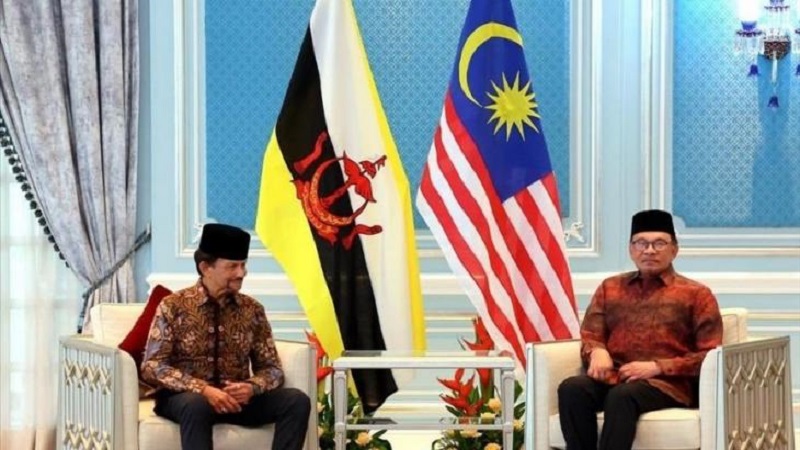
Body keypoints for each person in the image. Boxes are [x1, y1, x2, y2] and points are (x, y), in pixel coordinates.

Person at [557, 209, 723, 450]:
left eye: (659, 243)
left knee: (622, 396)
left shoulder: (697, 294)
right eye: (641, 243)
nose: (649, 250)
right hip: (615, 376)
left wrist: (657, 367)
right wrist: (596, 351)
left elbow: (710, 355)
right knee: (572, 388)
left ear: (674, 250)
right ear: (631, 249)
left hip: (668, 384)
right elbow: (592, 334)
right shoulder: (610, 288)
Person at [141, 223, 311, 450]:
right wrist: (203, 389)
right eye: (232, 266)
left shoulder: (252, 310)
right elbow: (153, 366)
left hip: (237, 402)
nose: (241, 273)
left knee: (296, 401)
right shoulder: (173, 306)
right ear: (205, 267)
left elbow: (272, 369)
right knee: (196, 405)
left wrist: (251, 387)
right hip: (185, 399)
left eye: (243, 265)